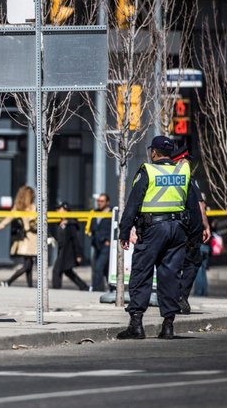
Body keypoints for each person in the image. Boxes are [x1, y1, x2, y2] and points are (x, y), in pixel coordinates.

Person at [116, 135, 201, 340]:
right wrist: (194, 235)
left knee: (141, 272)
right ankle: (168, 325)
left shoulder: (149, 171)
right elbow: (193, 207)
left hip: (152, 229)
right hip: (177, 229)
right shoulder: (182, 172)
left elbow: (133, 204)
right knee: (170, 275)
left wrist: (124, 231)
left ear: (154, 152)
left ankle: (136, 324)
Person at [171, 148, 211, 314]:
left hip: (173, 227)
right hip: (190, 229)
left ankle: (173, 298)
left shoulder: (168, 179)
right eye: (187, 160)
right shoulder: (190, 180)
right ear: (180, 161)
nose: (189, 164)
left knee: (172, 263)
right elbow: (200, 205)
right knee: (192, 263)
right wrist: (205, 225)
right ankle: (180, 296)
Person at [0, 185, 37, 288]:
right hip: (27, 240)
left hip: (31, 239)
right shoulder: (23, 208)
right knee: (27, 265)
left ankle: (29, 286)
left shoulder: (31, 207)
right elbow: (7, 219)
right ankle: (8, 282)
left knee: (29, 264)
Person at [51, 202, 89, 290]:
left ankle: (56, 289)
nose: (57, 211)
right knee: (67, 271)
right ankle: (84, 287)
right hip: (62, 251)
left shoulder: (71, 224)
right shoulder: (60, 222)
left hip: (68, 252)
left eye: (59, 209)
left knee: (56, 270)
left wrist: (78, 255)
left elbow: (76, 240)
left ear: (66, 210)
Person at [89, 193, 112, 291]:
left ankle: (97, 290)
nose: (99, 203)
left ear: (107, 202)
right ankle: (113, 288)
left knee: (99, 267)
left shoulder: (112, 213)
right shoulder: (94, 212)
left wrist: (109, 241)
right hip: (97, 244)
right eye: (98, 201)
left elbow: (115, 228)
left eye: (102, 201)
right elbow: (92, 226)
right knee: (104, 269)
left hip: (106, 245)